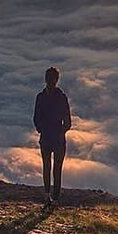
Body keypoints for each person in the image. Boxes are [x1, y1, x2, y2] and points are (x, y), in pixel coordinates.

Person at [33, 66, 72, 207]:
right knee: (55, 168)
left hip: (49, 137)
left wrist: (43, 130)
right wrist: (59, 132)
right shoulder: (60, 98)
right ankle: (53, 197)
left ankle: (49, 196)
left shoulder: (41, 97)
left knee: (49, 166)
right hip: (56, 138)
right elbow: (67, 122)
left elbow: (36, 118)